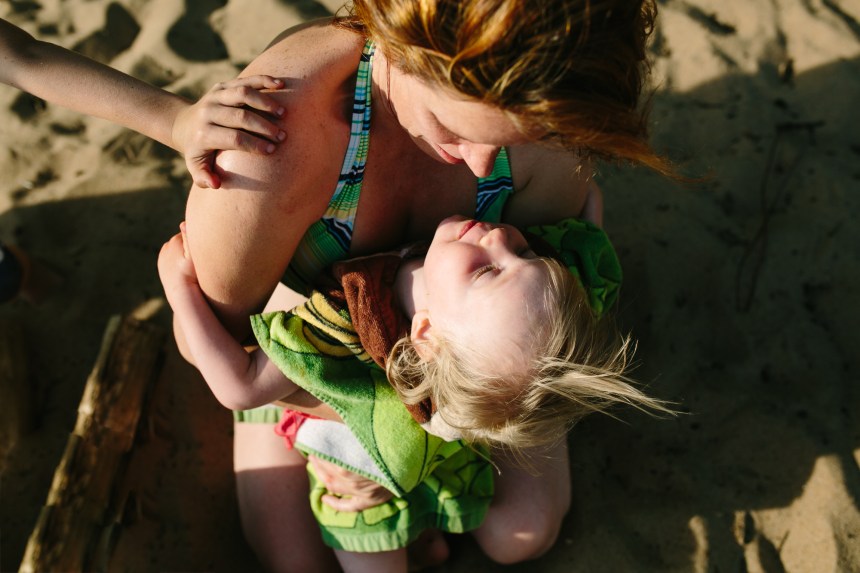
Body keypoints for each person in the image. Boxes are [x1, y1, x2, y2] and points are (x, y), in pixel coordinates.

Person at [2, 0, 674, 569]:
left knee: (524, 534)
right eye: (454, 129)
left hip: (474, 364)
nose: (478, 163)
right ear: (405, 48)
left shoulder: (547, 119)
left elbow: (562, 254)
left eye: (508, 140)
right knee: (288, 555)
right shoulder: (275, 139)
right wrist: (358, 435)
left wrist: (488, 390)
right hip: (308, 372)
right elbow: (228, 350)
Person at [158, 214, 668, 572]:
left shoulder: (460, 313)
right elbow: (241, 385)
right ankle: (419, 517)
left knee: (524, 538)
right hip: (305, 402)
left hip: (450, 434)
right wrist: (183, 291)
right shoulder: (346, 311)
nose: (500, 238)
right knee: (294, 562)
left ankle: (525, 401)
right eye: (522, 252)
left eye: (494, 265)